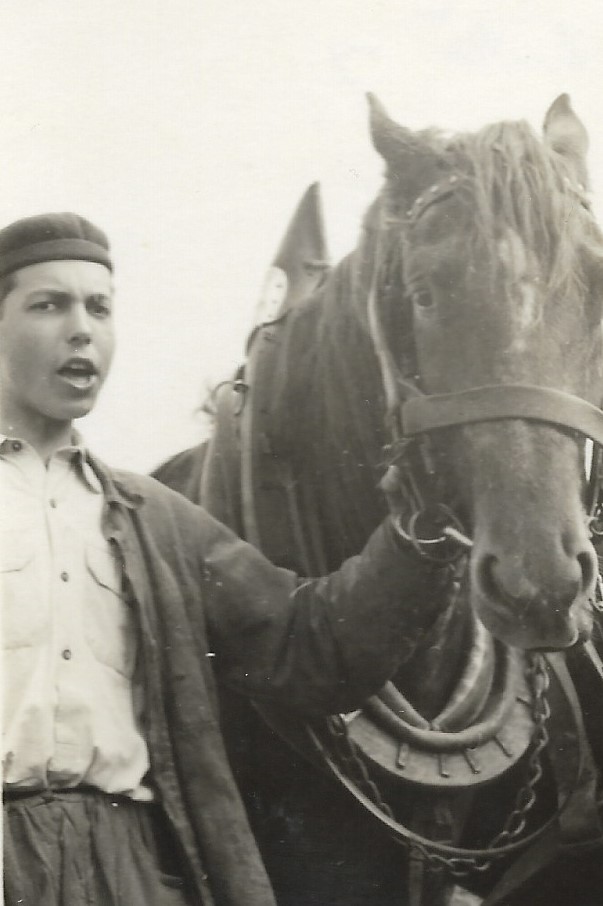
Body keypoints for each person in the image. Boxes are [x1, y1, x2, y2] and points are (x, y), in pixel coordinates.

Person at [0, 212, 450, 906]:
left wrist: (420, 531)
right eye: (49, 305)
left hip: (130, 868)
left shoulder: (153, 519)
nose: (82, 330)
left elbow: (306, 646)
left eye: (100, 308)